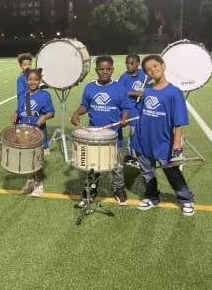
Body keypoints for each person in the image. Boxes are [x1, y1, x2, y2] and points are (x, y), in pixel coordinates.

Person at [130, 55, 195, 216]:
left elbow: (179, 121)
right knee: (147, 173)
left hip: (163, 142)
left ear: (163, 66)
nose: (152, 71)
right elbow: (140, 113)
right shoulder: (148, 90)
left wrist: (177, 143)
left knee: (172, 173)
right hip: (143, 140)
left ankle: (186, 199)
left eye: (155, 66)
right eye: (148, 70)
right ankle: (152, 197)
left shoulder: (174, 92)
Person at [71, 55, 132, 205]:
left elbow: (126, 107)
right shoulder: (90, 87)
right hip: (94, 135)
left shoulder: (119, 88)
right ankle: (90, 190)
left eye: (108, 69)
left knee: (116, 166)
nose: (105, 71)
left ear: (112, 69)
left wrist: (124, 118)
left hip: (113, 136)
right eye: (101, 69)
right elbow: (85, 105)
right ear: (96, 70)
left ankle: (118, 188)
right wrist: (76, 113)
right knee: (93, 166)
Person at [11, 68, 55, 196]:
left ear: (40, 81)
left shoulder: (45, 95)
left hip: (38, 132)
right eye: (30, 79)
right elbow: (20, 111)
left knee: (37, 159)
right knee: (25, 158)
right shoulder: (23, 96)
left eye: (36, 79)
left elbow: (51, 112)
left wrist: (44, 117)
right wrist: (15, 114)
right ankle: (29, 180)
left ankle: (38, 183)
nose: (33, 82)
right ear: (26, 81)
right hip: (24, 132)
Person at [117, 53, 148, 167]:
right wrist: (135, 93)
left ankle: (136, 153)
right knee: (134, 130)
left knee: (139, 129)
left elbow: (151, 81)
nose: (128, 65)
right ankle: (132, 156)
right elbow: (119, 92)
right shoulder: (124, 77)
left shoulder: (143, 74)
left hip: (141, 105)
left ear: (138, 64)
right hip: (129, 107)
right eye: (127, 63)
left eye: (131, 63)